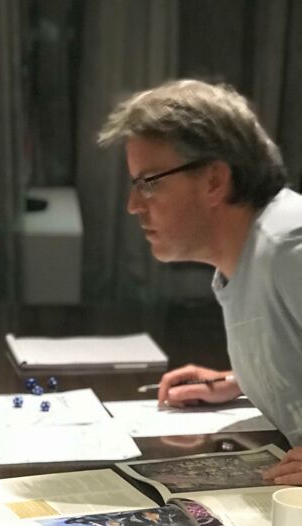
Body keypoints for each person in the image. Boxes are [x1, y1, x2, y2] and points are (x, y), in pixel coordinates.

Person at [98, 79, 302, 485]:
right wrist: (243, 379)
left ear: (213, 181)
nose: (133, 205)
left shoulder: (290, 246)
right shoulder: (252, 253)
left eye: (149, 182)